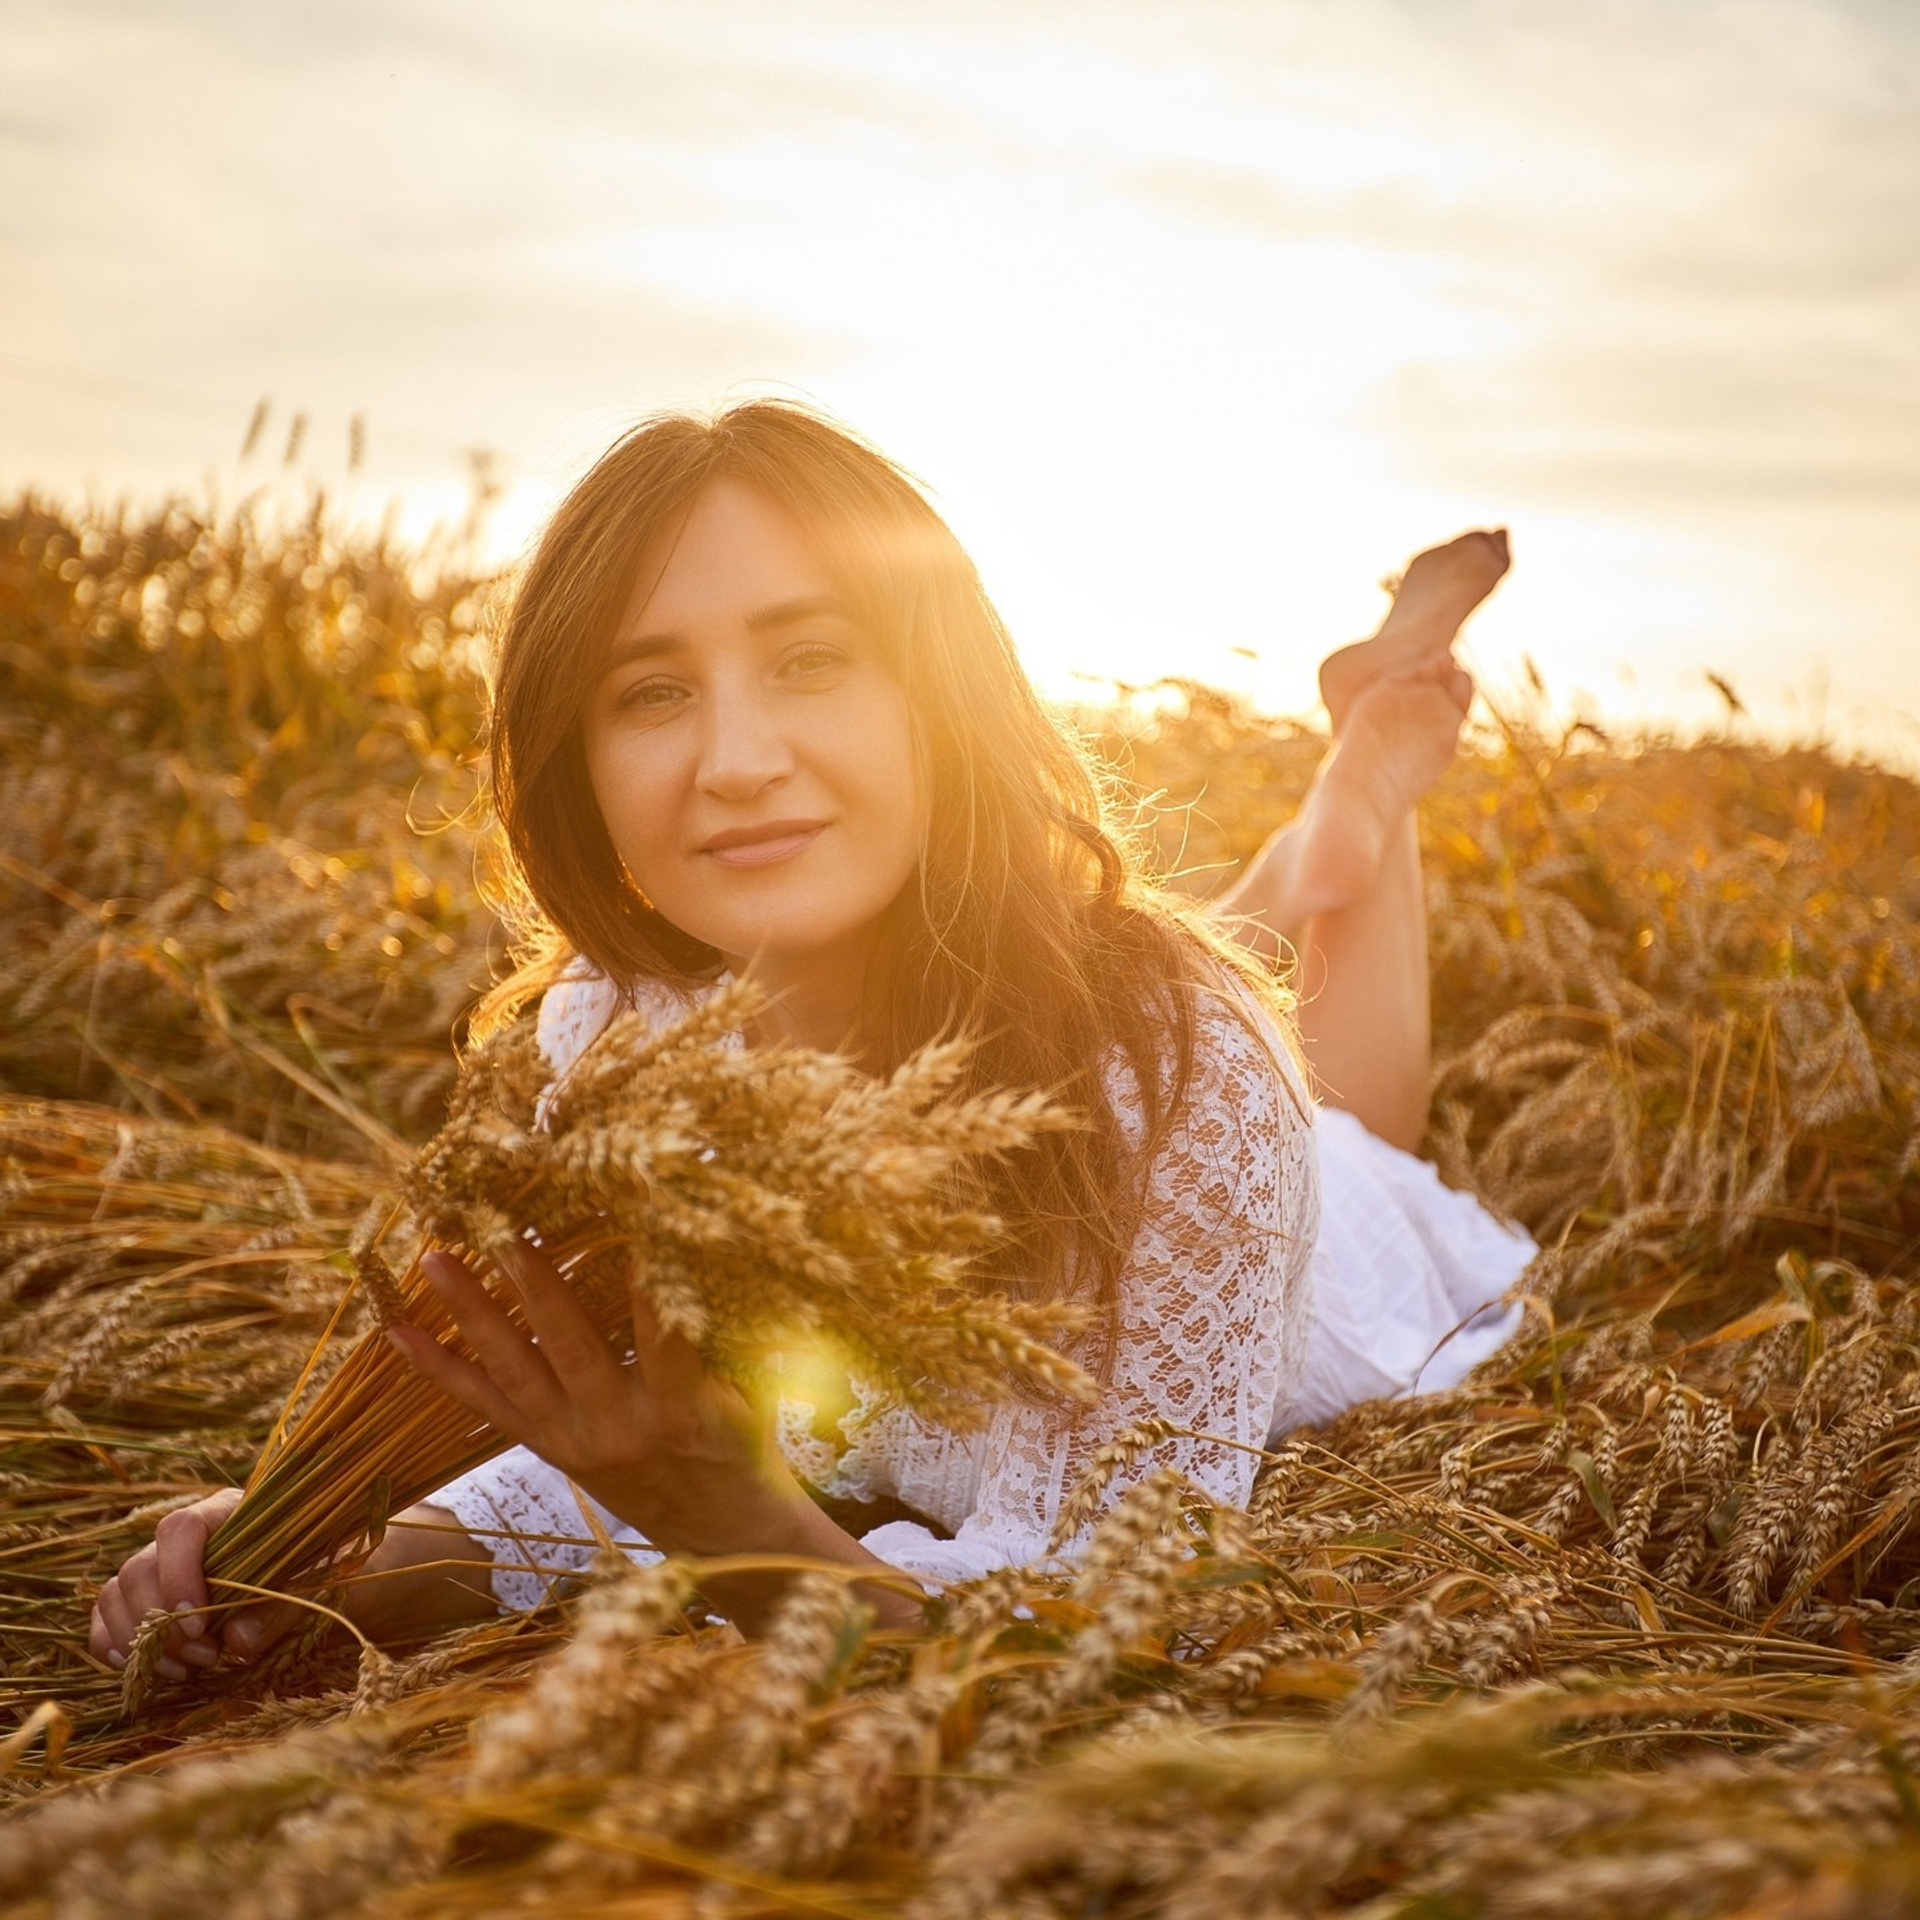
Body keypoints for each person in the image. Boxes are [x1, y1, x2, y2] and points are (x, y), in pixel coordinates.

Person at [89, 401, 1532, 1679]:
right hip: (1135, 1018)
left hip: (1323, 1244)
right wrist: (328, 1557)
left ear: (936, 697)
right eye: (651, 692)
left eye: (811, 658)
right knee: (1251, 1019)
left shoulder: (1184, 1075)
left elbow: (1111, 1628)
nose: (734, 761)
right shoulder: (616, 1037)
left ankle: (1362, 796)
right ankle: (1330, 816)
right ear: (578, 768)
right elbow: (604, 1453)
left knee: (1361, 1138)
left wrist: (734, 1524)